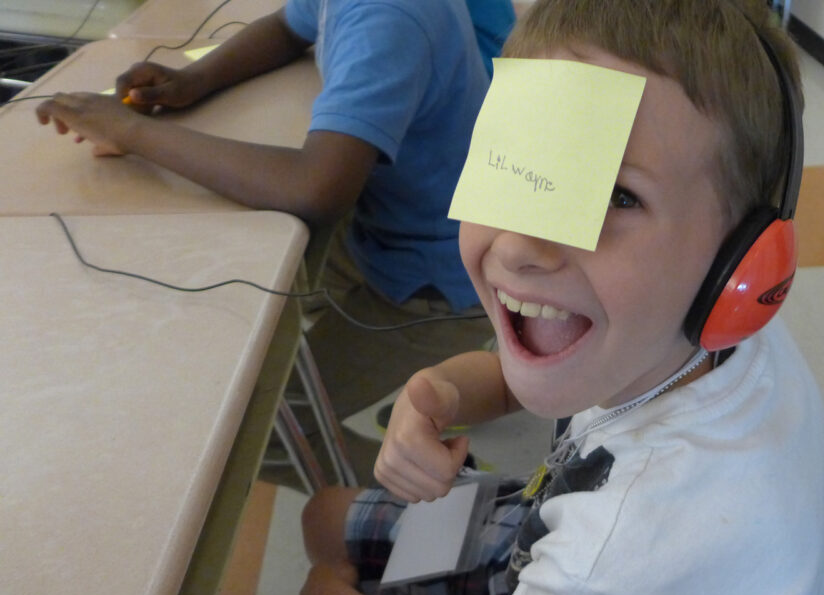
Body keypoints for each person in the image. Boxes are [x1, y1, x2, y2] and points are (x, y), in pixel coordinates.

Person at [204, 0, 824, 595]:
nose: (520, 245)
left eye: (615, 196)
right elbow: (514, 375)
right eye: (517, 164)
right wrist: (436, 392)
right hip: (562, 527)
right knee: (323, 516)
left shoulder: (616, 562)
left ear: (741, 266)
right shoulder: (669, 336)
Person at [34, 0, 515, 469]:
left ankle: (441, 486)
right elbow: (288, 27)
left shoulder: (389, 17)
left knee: (244, 437)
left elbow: (314, 188)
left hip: (436, 283)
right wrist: (194, 80)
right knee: (231, 284)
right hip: (389, 228)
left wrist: (129, 133)